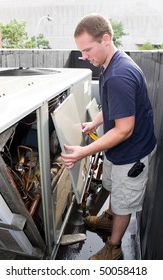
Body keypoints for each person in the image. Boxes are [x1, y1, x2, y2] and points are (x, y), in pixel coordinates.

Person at [61, 13, 157, 260]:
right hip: (120, 151)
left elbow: (124, 129)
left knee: (125, 202)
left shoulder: (118, 75)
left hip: (132, 153)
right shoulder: (108, 64)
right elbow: (112, 106)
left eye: (87, 49)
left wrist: (84, 151)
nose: (84, 56)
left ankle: (113, 247)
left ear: (105, 39)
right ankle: (108, 220)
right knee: (114, 187)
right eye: (80, 51)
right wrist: (94, 122)